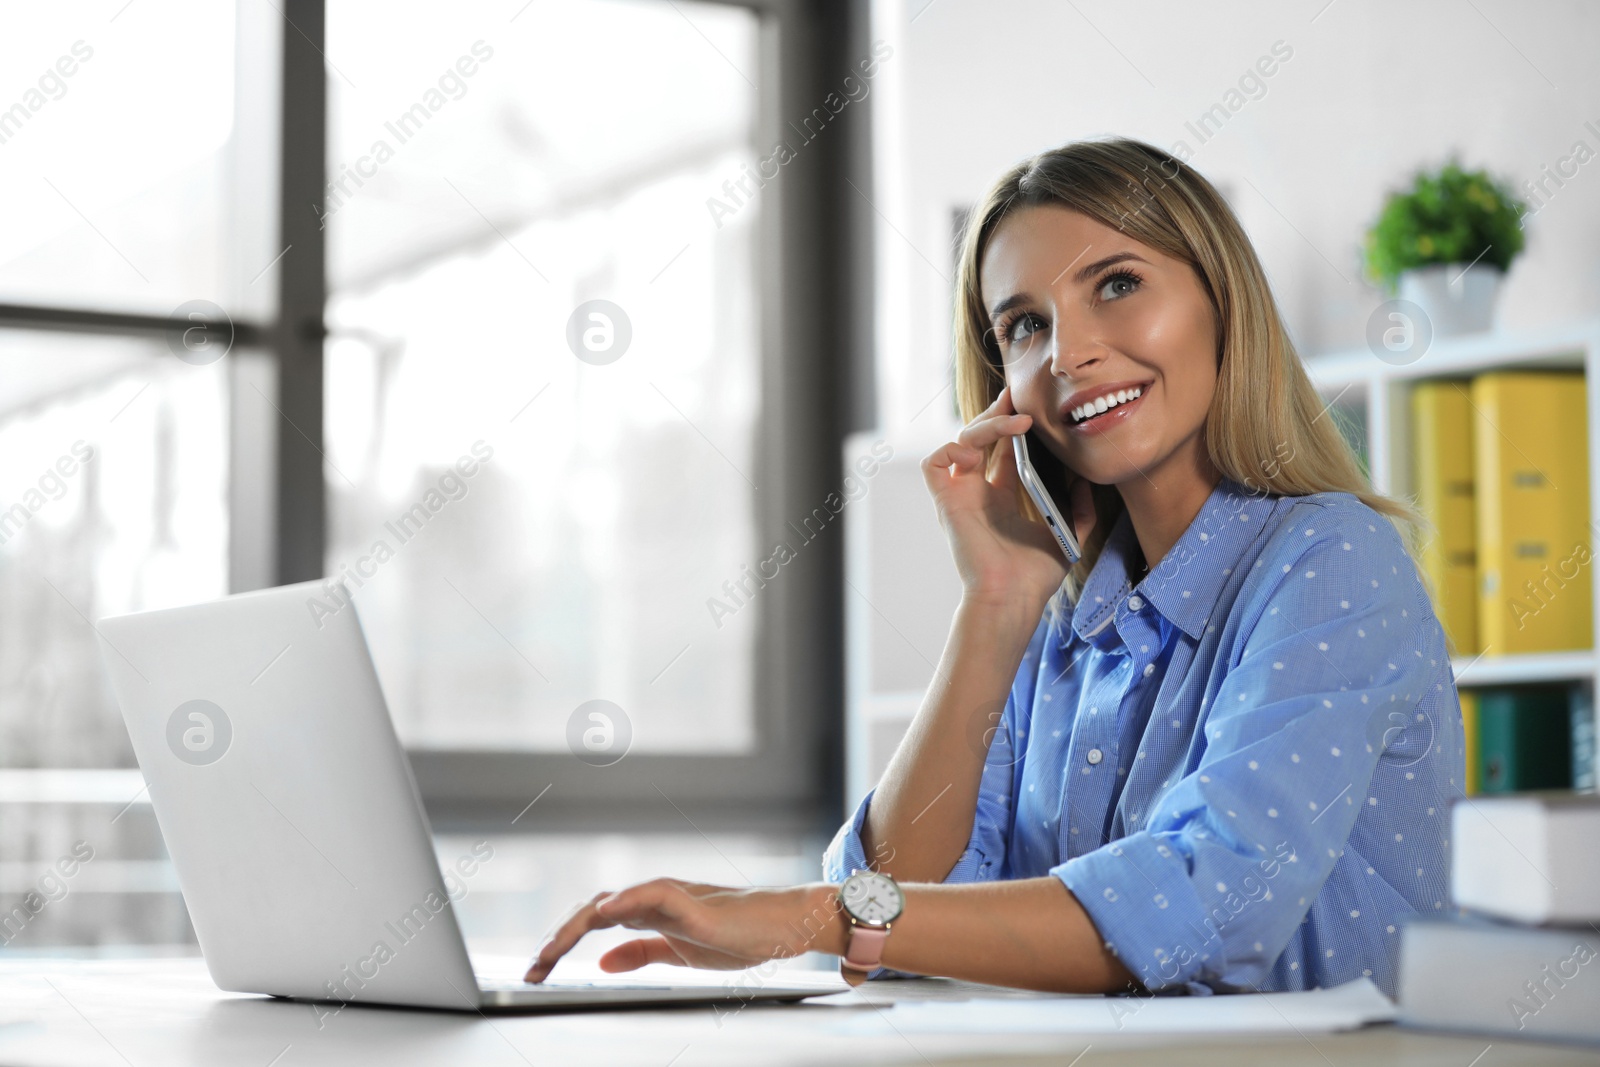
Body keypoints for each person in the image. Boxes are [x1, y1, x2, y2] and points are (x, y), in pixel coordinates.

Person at [524, 137, 1464, 998]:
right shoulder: (1060, 620)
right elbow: (902, 900)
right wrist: (997, 602)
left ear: (1222, 301)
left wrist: (801, 914)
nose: (1072, 353)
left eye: (1118, 283)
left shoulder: (1333, 560)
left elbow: (1208, 904)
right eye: (1024, 325)